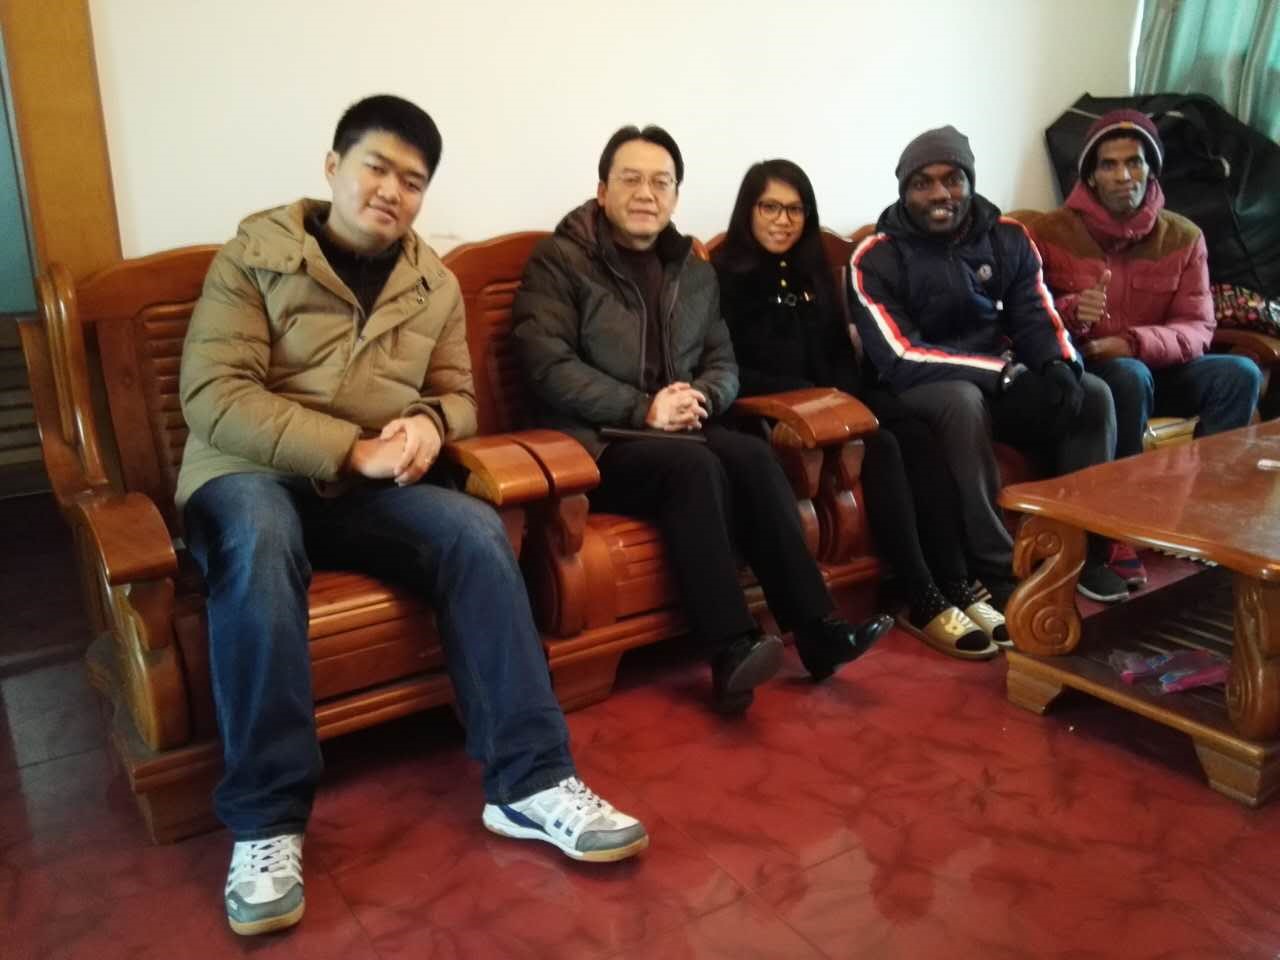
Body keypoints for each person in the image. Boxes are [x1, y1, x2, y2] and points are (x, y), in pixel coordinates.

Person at [177, 95, 647, 937]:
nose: (392, 191)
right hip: (249, 474)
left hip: (367, 489)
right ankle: (265, 820)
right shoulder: (254, 256)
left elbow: (458, 395)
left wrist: (430, 426)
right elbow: (214, 395)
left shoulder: (432, 284)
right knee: (259, 535)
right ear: (334, 167)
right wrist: (351, 449)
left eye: (414, 181)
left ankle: (530, 780)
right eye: (377, 168)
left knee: (473, 531)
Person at [512, 125, 892, 714]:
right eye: (631, 179)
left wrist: (703, 399)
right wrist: (644, 407)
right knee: (694, 468)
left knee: (752, 454)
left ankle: (817, 629)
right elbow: (547, 365)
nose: (646, 193)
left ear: (675, 195)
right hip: (597, 442)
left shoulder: (693, 268)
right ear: (602, 190)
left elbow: (722, 360)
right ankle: (730, 647)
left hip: (682, 428)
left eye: (660, 182)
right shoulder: (560, 262)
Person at [713, 158, 1005, 659]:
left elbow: (838, 353)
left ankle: (957, 580)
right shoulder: (723, 276)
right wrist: (816, 398)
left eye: (795, 210)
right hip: (777, 414)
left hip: (836, 401)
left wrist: (846, 397)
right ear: (748, 212)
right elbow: (731, 368)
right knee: (883, 447)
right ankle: (921, 593)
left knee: (916, 432)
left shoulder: (812, 270)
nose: (783, 220)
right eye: (770, 208)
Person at [849, 125, 1127, 605]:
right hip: (920, 387)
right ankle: (997, 564)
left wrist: (1060, 366)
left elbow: (1036, 312)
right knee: (962, 400)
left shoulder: (1009, 237)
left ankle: (1082, 552)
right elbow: (900, 356)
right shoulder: (875, 257)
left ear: (970, 182)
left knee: (1092, 394)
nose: (941, 194)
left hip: (1000, 378)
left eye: (952, 179)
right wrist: (1002, 375)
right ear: (904, 192)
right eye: (923, 183)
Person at [1030, 109, 1262, 588]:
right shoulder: (1049, 233)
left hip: (1160, 364)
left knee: (1240, 373)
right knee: (1127, 376)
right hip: (1094, 371)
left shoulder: (1184, 236)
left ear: (1151, 170)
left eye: (1134, 163)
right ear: (1090, 176)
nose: (1123, 176)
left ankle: (1207, 520)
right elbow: (1028, 312)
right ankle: (1121, 527)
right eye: (1109, 165)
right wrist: (1073, 312)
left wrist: (1134, 342)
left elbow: (1198, 327)